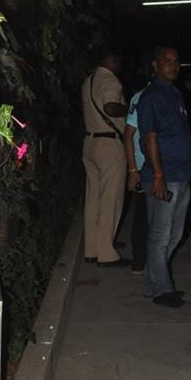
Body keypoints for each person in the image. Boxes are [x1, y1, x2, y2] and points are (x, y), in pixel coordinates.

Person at [137, 46, 191, 308]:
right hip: (164, 175)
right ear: (155, 65)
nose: (172, 66)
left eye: (176, 61)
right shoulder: (151, 97)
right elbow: (149, 137)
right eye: (167, 62)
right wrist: (158, 174)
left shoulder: (175, 94)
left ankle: (154, 283)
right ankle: (162, 288)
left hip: (182, 174)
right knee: (161, 235)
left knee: (174, 235)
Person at [81, 45, 129, 266]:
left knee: (93, 199)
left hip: (90, 142)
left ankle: (92, 248)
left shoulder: (88, 81)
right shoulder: (110, 81)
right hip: (108, 144)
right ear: (112, 61)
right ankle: (107, 253)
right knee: (111, 199)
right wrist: (129, 109)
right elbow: (111, 108)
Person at [124, 78, 150, 275]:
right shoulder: (140, 97)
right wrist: (133, 169)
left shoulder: (172, 94)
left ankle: (148, 262)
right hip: (144, 165)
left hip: (164, 167)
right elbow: (129, 133)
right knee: (142, 215)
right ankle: (139, 262)